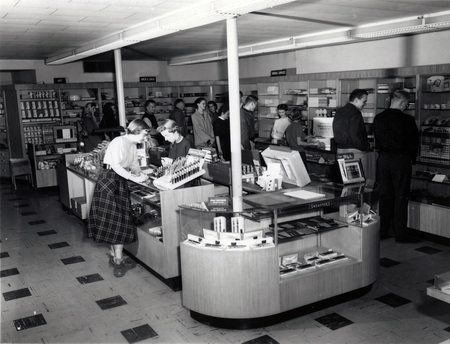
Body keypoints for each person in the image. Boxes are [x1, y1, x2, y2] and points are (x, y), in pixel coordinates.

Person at [87, 119, 150, 278]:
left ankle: (116, 255)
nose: (145, 138)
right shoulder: (118, 141)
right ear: (136, 131)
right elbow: (115, 166)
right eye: (144, 134)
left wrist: (141, 175)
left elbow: (134, 163)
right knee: (116, 220)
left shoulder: (132, 145)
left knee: (118, 219)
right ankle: (118, 260)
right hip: (109, 181)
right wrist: (134, 178)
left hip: (119, 181)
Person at [373, 89, 419, 243]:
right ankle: (400, 233)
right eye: (406, 104)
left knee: (384, 195)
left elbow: (377, 140)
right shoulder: (407, 120)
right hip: (401, 159)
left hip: (383, 159)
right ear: (402, 102)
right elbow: (413, 143)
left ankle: (383, 230)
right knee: (401, 195)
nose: (406, 107)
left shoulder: (379, 118)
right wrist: (412, 159)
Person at [332, 89, 370, 172]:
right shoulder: (356, 113)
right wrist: (365, 147)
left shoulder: (339, 111)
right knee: (358, 178)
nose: (364, 104)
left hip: (340, 150)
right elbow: (355, 134)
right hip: (354, 151)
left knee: (344, 177)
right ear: (356, 100)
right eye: (364, 101)